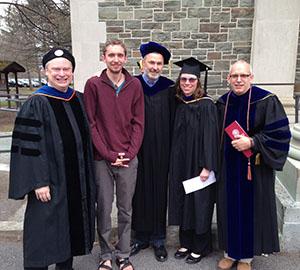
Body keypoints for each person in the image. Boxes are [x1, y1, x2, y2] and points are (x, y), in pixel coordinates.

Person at [9, 48, 96, 270]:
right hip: (49, 181)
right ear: (45, 72)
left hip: (75, 179)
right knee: (44, 231)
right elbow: (28, 146)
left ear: (73, 72)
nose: (61, 73)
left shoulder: (79, 100)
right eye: (56, 69)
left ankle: (65, 267)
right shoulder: (36, 103)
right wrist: (39, 182)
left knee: (68, 230)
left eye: (66, 69)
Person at [216, 60, 291, 270]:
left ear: (251, 77)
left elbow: (280, 134)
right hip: (228, 168)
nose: (239, 80)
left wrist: (252, 142)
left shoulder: (266, 100)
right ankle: (230, 253)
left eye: (244, 76)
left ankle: (247, 258)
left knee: (251, 211)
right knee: (228, 209)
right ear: (228, 79)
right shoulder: (222, 103)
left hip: (255, 168)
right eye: (234, 76)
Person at [84, 39, 144, 270]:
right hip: (102, 159)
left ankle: (124, 254)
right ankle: (106, 254)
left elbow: (139, 122)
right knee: (104, 208)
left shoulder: (134, 85)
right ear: (103, 57)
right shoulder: (94, 85)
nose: (116, 59)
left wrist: (129, 154)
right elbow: (91, 124)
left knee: (126, 209)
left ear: (125, 58)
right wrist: (108, 154)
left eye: (120, 55)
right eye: (111, 55)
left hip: (128, 158)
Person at [168, 57, 219, 264]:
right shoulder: (180, 103)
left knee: (200, 205)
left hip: (199, 165)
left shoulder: (206, 106)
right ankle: (186, 242)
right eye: (183, 79)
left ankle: (201, 246)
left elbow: (210, 138)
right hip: (181, 163)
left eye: (191, 80)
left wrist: (207, 166)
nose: (187, 83)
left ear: (198, 82)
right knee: (184, 203)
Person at [130, 41, 174, 262]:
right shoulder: (132, 85)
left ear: (163, 66)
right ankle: (140, 236)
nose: (155, 67)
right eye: (151, 62)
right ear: (142, 64)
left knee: (158, 191)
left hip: (162, 149)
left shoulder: (169, 87)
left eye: (159, 63)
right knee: (138, 191)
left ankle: (158, 238)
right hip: (136, 147)